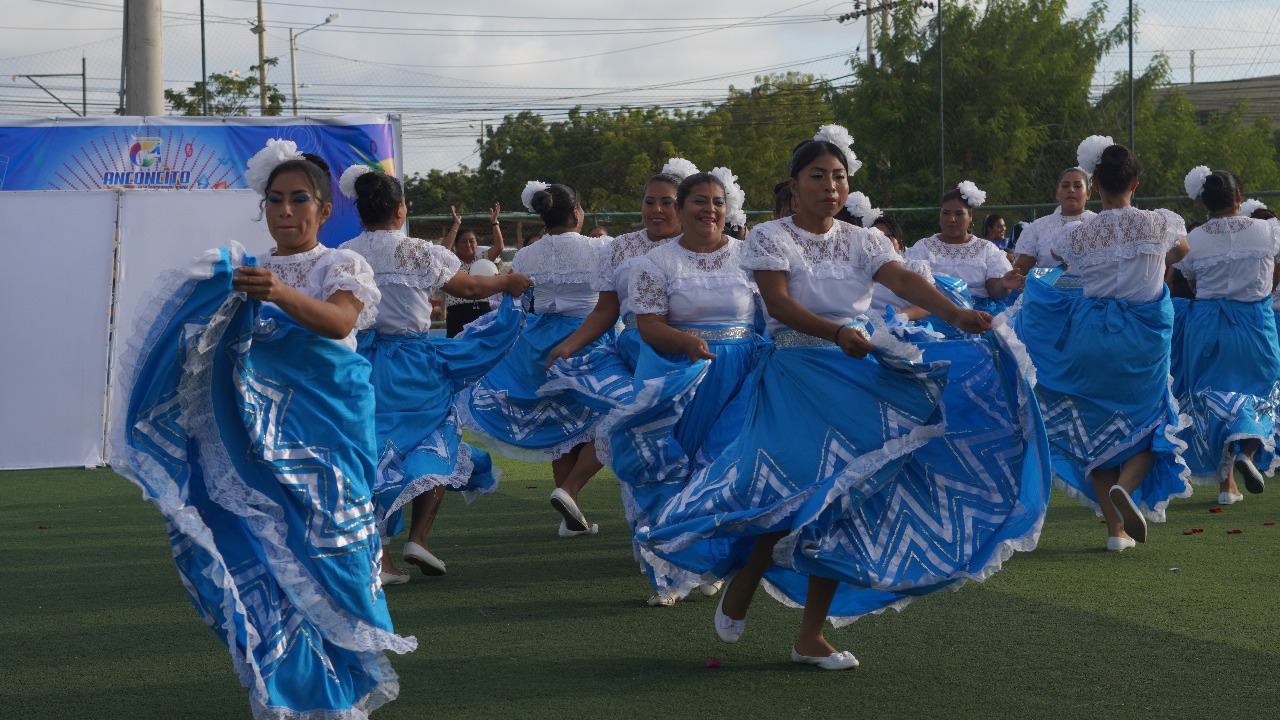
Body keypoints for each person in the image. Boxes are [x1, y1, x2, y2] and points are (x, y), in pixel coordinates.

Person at [637, 125, 1045, 671]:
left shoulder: (863, 239)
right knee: (789, 490)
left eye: (838, 177)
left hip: (859, 373)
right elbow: (778, 304)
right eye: (817, 176)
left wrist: (956, 313)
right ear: (794, 184)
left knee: (845, 499)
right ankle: (749, 573)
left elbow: (903, 281)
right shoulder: (770, 237)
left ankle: (810, 636)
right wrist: (835, 333)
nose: (830, 186)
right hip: (795, 378)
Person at [108, 140, 415, 718]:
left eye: (300, 199)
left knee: (337, 552)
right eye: (275, 199)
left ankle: (345, 679)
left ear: (324, 209)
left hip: (330, 431)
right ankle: (300, 690)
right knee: (269, 553)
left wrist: (277, 294)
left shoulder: (340, 264)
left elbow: (340, 322)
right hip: (260, 442)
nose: (286, 210)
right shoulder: (248, 271)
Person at [337, 166, 532, 583]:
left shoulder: (346, 254)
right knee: (437, 438)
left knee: (371, 451)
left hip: (360, 365)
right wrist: (509, 282)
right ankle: (419, 537)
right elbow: (470, 289)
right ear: (400, 209)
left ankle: (381, 559)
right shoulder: (418, 252)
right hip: (413, 364)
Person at [1018, 136, 1192, 551]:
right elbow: (1182, 254)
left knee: (1092, 426)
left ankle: (1116, 532)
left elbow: (1066, 271)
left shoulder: (1077, 234)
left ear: (1094, 184)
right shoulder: (1160, 223)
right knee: (1155, 421)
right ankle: (1125, 489)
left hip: (1090, 336)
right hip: (1143, 339)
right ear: (1135, 183)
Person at [598, 167, 762, 606]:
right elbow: (649, 325)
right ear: (682, 209)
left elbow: (773, 313)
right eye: (699, 201)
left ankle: (706, 561)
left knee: (721, 468)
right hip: (680, 374)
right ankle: (666, 575)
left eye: (717, 202)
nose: (710, 209)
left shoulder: (750, 256)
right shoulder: (655, 263)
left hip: (742, 377)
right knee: (670, 469)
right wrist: (688, 344)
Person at [460, 182, 614, 536]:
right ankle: (570, 489)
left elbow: (523, 298)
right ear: (576, 212)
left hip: (539, 342)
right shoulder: (600, 247)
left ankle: (570, 514)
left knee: (559, 425)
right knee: (616, 413)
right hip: (587, 336)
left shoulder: (528, 255)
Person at [1174, 167, 1280, 504]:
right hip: (1255, 321)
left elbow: (1190, 282)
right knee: (1260, 392)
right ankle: (1248, 452)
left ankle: (1226, 486)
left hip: (1208, 324)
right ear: (1238, 196)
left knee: (1215, 400)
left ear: (1204, 203)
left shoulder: (1195, 239)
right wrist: (1266, 287)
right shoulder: (1269, 230)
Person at [906, 182, 1017, 315]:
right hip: (936, 314)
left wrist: (1003, 284)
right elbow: (913, 288)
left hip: (979, 314)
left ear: (970, 216)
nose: (951, 219)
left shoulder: (986, 249)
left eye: (959, 214)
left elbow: (995, 290)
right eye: (946, 213)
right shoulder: (923, 248)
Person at [1006, 168, 1097, 281]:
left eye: (1078, 186)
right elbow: (1021, 268)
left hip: (1092, 290)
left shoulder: (1100, 224)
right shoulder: (1038, 227)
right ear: (1058, 193)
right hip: (1046, 291)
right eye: (1065, 186)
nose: (1071, 190)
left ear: (1088, 193)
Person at [442, 203, 506, 336]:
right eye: (463, 242)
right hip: (457, 313)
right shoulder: (451, 261)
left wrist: (494, 223)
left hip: (482, 311)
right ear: (456, 245)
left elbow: (499, 247)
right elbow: (443, 251)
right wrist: (456, 224)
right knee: (457, 346)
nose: (468, 245)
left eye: (472, 241)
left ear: (476, 243)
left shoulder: (483, 258)